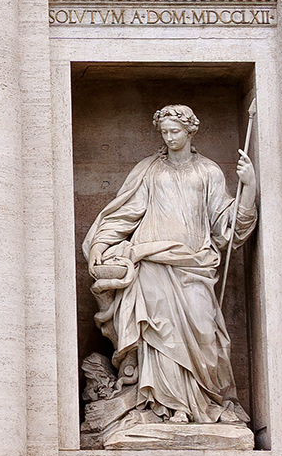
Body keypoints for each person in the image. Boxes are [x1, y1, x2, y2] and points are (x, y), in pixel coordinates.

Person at [82, 104, 254, 433]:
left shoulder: (209, 172)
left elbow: (228, 228)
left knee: (203, 329)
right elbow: (123, 215)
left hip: (194, 263)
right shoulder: (149, 170)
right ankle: (165, 404)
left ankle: (205, 403)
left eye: (175, 131)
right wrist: (102, 245)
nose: (170, 137)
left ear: (191, 131)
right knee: (158, 334)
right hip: (152, 263)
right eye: (164, 132)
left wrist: (249, 188)